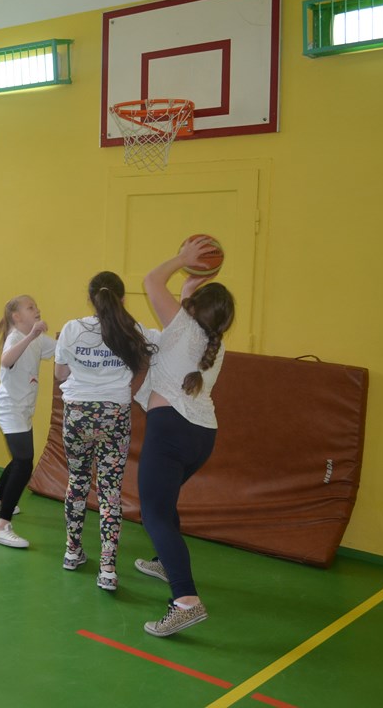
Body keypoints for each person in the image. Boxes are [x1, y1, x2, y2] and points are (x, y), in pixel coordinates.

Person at [132, 237, 235, 637]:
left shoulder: (182, 328)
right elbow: (187, 316)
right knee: (165, 502)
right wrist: (191, 287)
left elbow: (151, 280)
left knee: (154, 514)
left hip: (170, 430)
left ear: (192, 310)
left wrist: (182, 259)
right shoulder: (214, 343)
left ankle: (186, 601)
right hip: (202, 436)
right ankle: (165, 562)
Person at [53, 272, 157, 590]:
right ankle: (108, 569)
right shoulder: (133, 330)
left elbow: (60, 374)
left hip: (78, 413)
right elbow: (153, 355)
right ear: (122, 299)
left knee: (78, 481)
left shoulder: (72, 329)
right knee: (110, 490)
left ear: (91, 299)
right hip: (114, 414)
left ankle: (72, 552)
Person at [0, 295, 56, 549]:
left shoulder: (37, 339)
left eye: (36, 305)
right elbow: (6, 360)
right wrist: (31, 335)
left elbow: (62, 349)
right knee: (23, 462)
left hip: (23, 410)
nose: (37, 309)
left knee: (19, 459)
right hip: (9, 409)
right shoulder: (16, 337)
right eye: (31, 307)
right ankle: (1, 526)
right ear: (17, 316)